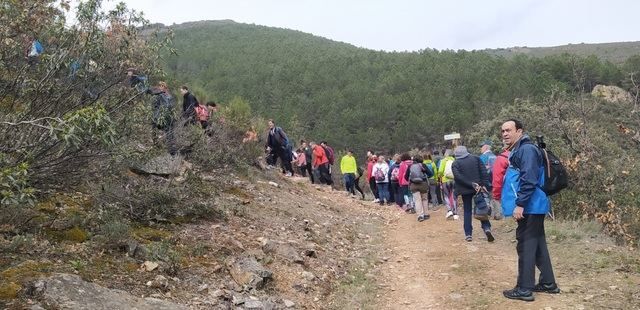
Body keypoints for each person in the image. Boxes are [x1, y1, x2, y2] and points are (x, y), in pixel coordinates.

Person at [500, 119, 559, 302]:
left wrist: (520, 204)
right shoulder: (522, 149)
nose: (505, 134)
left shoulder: (526, 150)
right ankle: (548, 283)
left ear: (519, 131)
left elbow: (529, 179)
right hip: (534, 206)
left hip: (530, 206)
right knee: (537, 243)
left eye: (508, 130)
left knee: (525, 245)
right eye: (502, 131)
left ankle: (524, 288)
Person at [451, 146, 493, 242]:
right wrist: (483, 184)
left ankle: (468, 234)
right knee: (481, 207)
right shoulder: (476, 158)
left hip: (465, 190)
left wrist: (470, 184)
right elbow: (484, 172)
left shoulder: (456, 163)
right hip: (478, 188)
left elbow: (458, 177)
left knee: (467, 211)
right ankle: (486, 228)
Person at [148, 81, 177, 155]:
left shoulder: (163, 96)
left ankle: (172, 151)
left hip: (163, 117)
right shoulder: (166, 95)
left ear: (165, 87)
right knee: (166, 133)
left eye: (162, 86)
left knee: (168, 133)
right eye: (160, 86)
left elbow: (166, 106)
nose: (160, 87)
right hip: (162, 117)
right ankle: (160, 147)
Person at [404, 155, 433, 222]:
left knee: (417, 200)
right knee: (424, 199)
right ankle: (426, 214)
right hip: (423, 184)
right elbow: (431, 174)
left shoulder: (410, 166)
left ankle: (420, 215)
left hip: (413, 185)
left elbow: (406, 177)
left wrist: (412, 179)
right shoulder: (423, 165)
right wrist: (425, 177)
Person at [491, 144, 511, 219]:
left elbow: (497, 179)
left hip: (509, 194)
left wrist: (496, 195)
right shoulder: (527, 153)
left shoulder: (502, 158)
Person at [439, 149, 458, 220]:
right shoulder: (454, 160)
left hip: (445, 180)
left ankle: (449, 210)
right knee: (454, 195)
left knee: (446, 195)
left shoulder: (443, 161)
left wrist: (440, 176)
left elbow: (440, 171)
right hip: (453, 180)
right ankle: (455, 213)